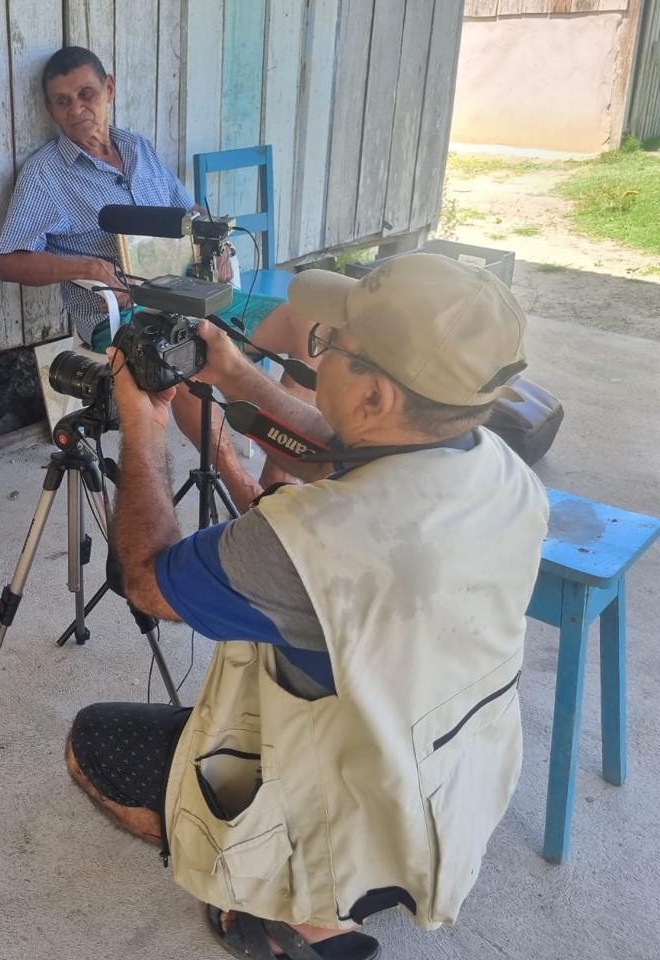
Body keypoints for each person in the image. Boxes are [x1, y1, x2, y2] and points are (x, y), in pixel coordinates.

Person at [65, 254, 549, 958]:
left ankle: (298, 908)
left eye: (330, 346)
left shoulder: (311, 541)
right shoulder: (499, 470)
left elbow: (146, 580)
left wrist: (141, 429)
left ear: (377, 397)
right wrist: (233, 374)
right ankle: (352, 890)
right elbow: (353, 458)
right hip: (447, 788)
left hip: (338, 812)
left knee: (93, 741)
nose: (314, 351)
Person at [0, 46, 317, 508]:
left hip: (191, 291)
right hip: (125, 313)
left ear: (109, 89)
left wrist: (217, 244)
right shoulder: (45, 175)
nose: (77, 109)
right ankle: (244, 493)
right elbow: (9, 260)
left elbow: (189, 211)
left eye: (86, 94)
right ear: (50, 109)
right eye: (62, 101)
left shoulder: (138, 148)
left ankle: (277, 476)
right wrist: (85, 267)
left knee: (311, 328)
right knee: (173, 355)